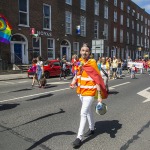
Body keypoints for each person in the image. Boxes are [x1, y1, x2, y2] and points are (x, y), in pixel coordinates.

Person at [70, 43, 107, 148]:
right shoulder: (79, 63)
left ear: (89, 53)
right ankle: (92, 129)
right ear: (80, 52)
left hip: (90, 92)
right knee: (89, 111)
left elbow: (97, 79)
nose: (84, 52)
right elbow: (77, 75)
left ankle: (79, 137)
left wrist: (99, 95)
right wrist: (73, 83)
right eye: (82, 50)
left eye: (86, 51)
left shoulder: (92, 62)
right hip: (81, 92)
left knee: (83, 113)